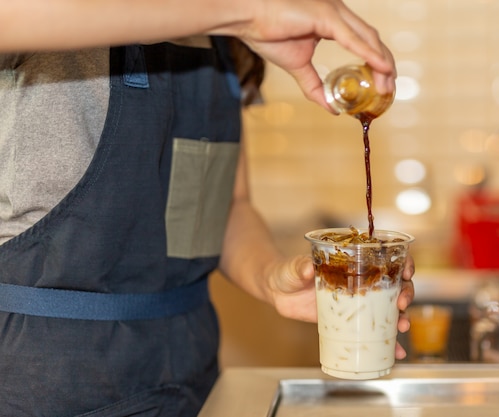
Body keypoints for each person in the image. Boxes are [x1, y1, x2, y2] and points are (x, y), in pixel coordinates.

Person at [0, 1, 414, 416]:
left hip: (190, 376)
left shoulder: (222, 36)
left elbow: (227, 203)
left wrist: (272, 278)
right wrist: (246, 11)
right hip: (46, 378)